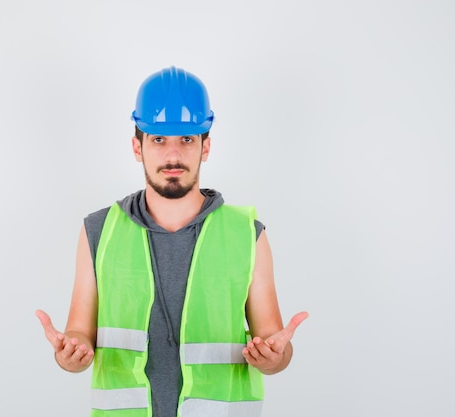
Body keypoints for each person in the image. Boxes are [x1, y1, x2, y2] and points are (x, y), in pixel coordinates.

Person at [36, 66, 308, 417]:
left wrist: (274, 357)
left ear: (205, 147)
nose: (173, 155)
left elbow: (274, 345)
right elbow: (79, 334)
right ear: (138, 146)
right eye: (159, 139)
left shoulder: (247, 234)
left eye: (187, 139)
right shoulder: (99, 230)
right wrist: (69, 354)